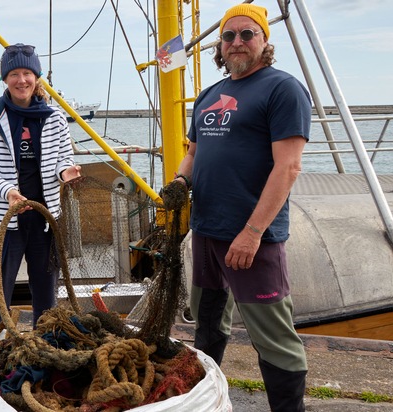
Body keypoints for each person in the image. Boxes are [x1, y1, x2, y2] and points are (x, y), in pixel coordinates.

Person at [173, 4, 310, 411]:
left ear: (264, 41)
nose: (237, 42)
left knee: (273, 337)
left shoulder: (282, 89)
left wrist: (252, 233)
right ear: (221, 45)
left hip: (253, 238)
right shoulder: (208, 96)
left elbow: (288, 168)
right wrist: (180, 181)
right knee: (208, 322)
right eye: (229, 36)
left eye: (247, 34)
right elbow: (194, 155)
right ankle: (207, 401)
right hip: (207, 233)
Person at [0, 43, 81, 329]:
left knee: (46, 297)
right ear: (4, 79)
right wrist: (7, 191)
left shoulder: (55, 118)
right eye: (14, 74)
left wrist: (65, 173)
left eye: (27, 73)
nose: (22, 80)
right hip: (4, 221)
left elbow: (62, 159)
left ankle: (44, 348)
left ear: (37, 76)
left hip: (45, 221)